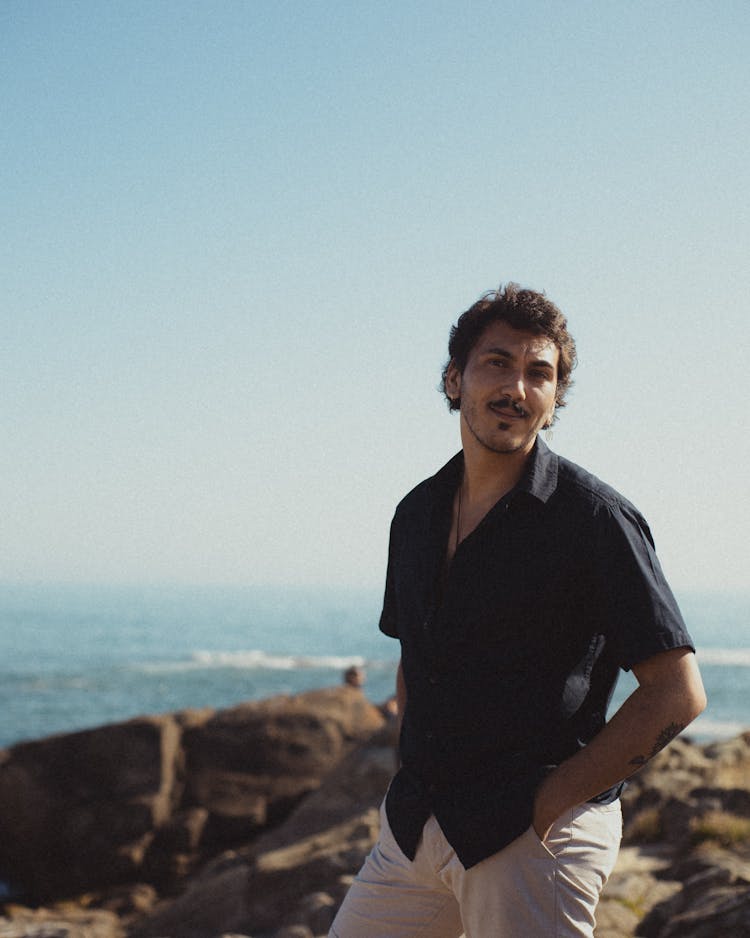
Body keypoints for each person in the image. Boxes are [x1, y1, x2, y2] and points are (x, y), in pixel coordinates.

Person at [330, 283, 706, 938]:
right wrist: (414, 775)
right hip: (417, 824)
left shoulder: (595, 520)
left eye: (540, 374)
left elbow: (676, 693)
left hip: (529, 839)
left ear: (555, 397)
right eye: (497, 363)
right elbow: (414, 658)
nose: (517, 389)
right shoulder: (415, 515)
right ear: (455, 378)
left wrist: (550, 804)